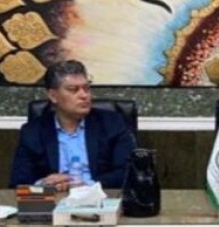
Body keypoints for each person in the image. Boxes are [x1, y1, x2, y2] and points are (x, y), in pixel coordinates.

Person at [9, 59, 137, 189]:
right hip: (54, 198)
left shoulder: (112, 123)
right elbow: (18, 183)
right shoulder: (32, 131)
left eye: (86, 88)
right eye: (73, 89)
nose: (84, 95)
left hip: (98, 196)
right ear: (53, 96)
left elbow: (128, 172)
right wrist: (43, 185)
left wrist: (89, 186)